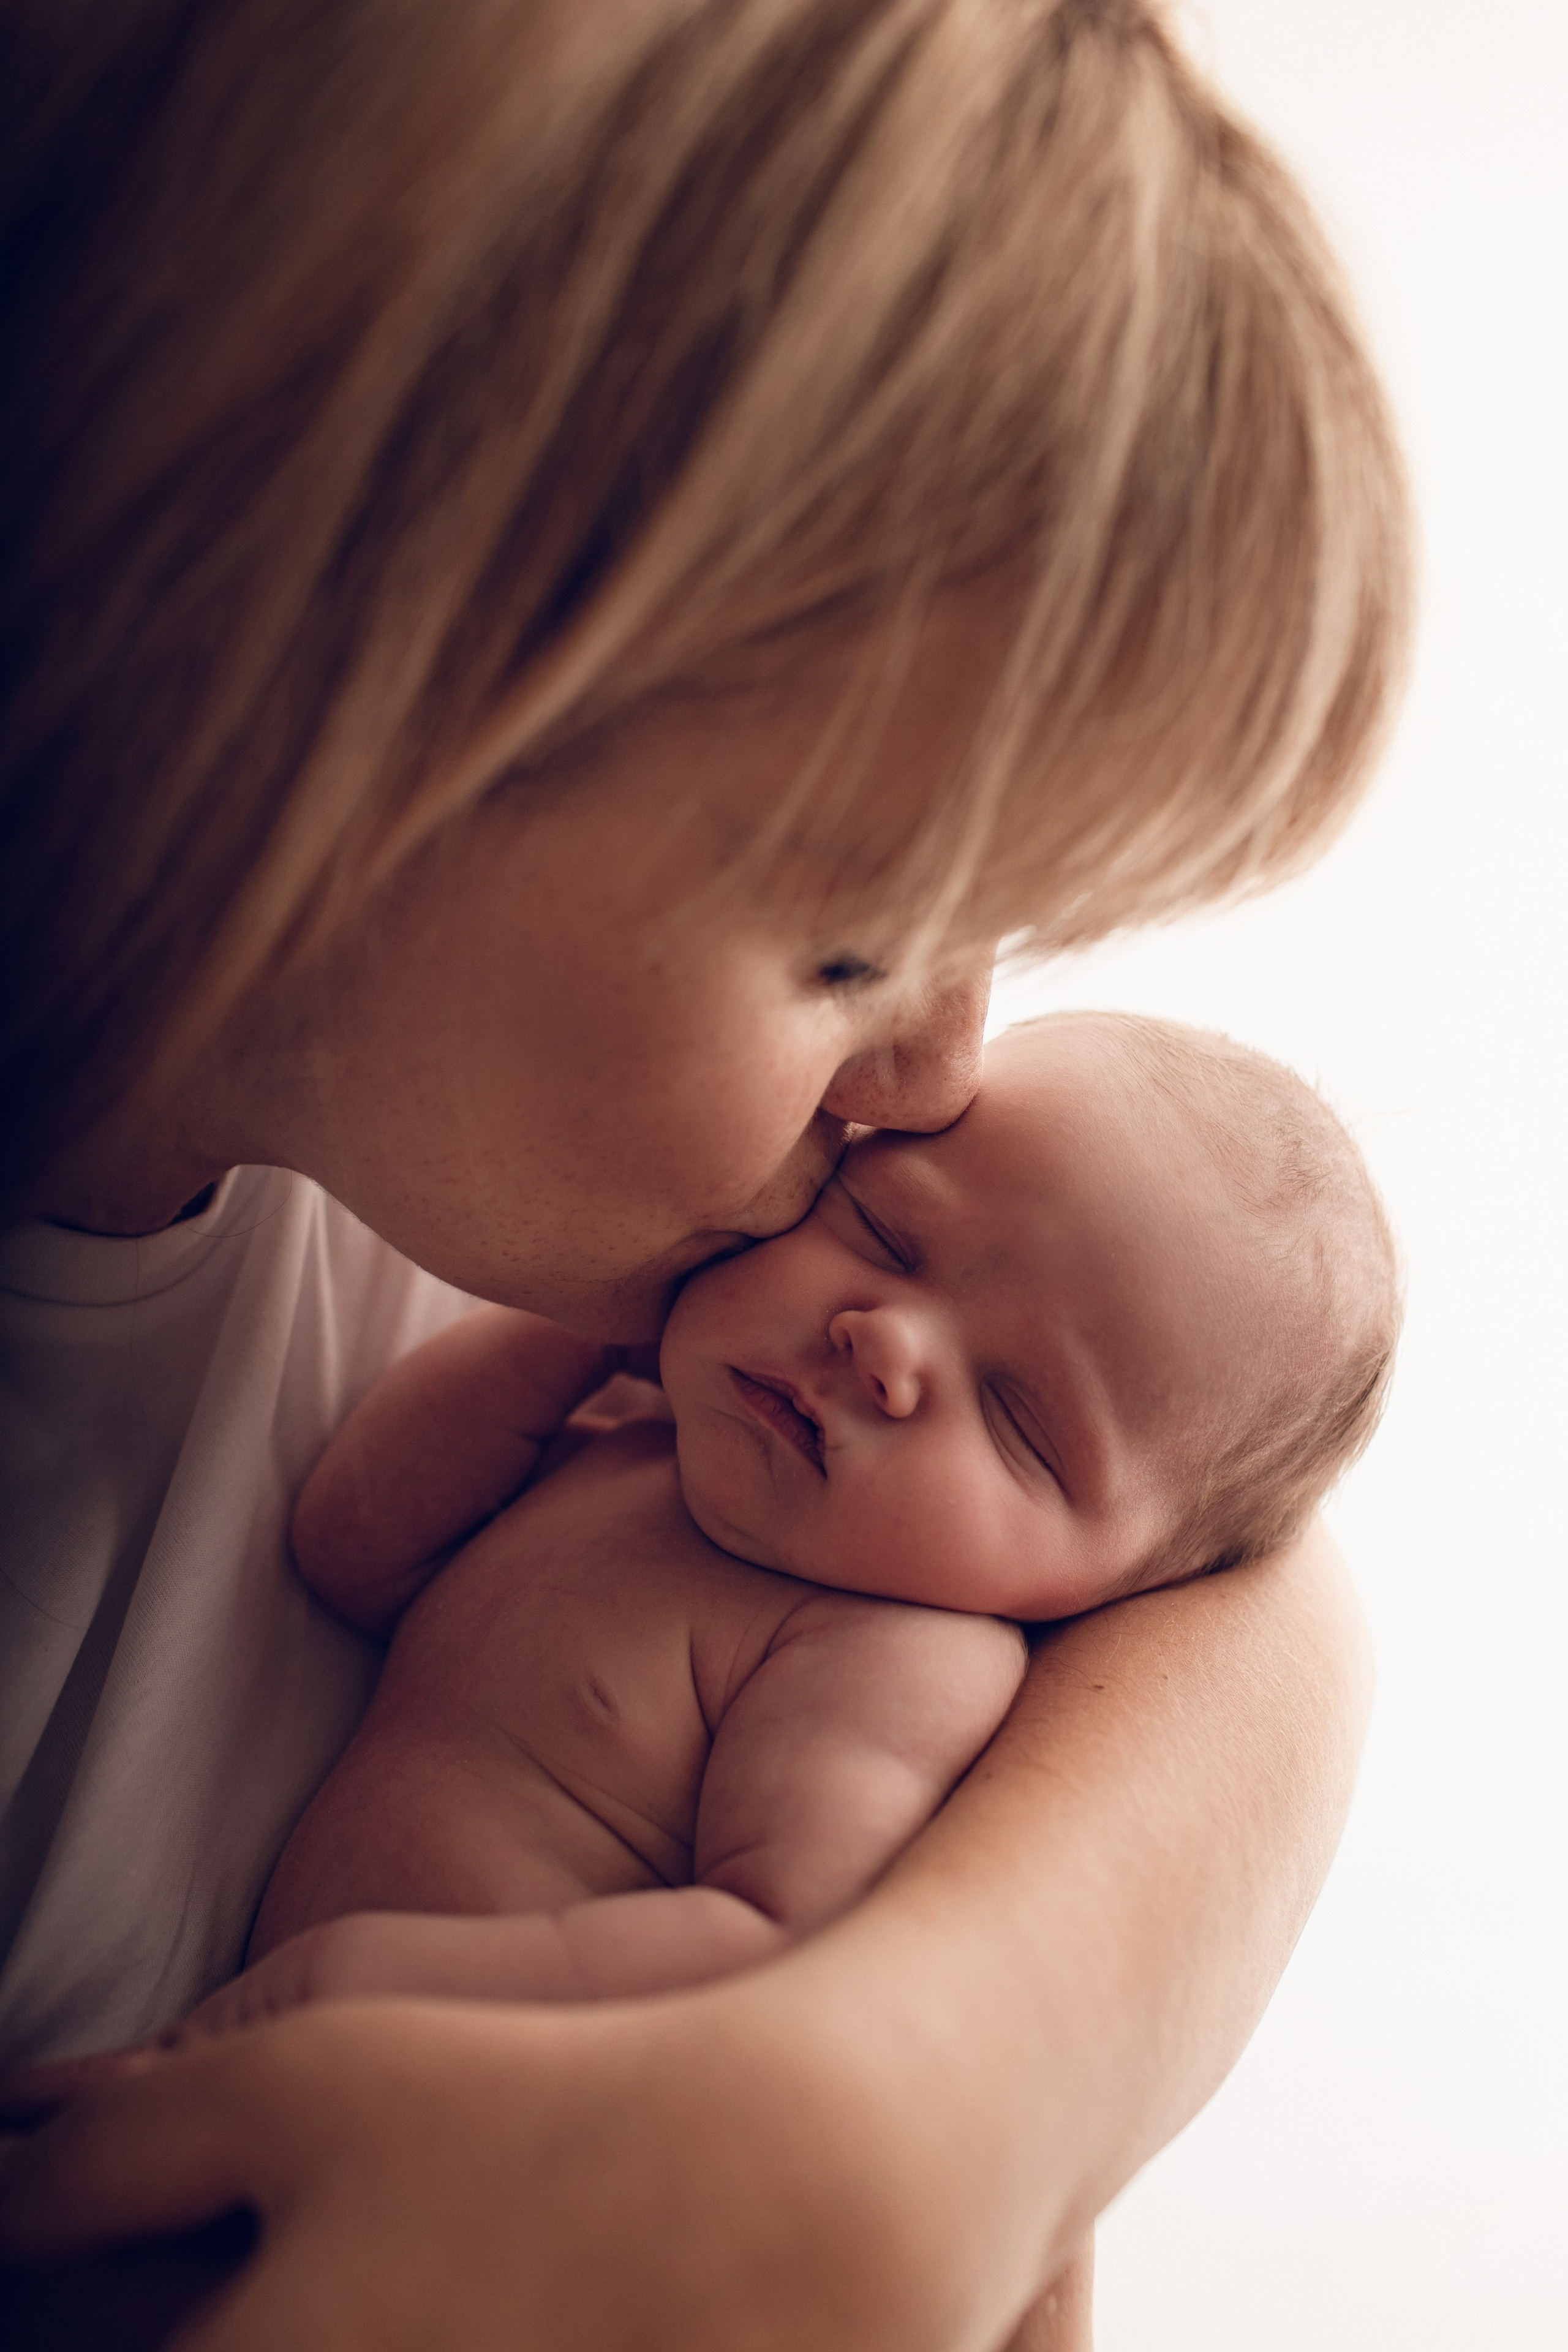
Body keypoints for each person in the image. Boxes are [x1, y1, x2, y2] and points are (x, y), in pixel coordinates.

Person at [0, 4, 1410, 2347]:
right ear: (322, 714)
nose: (937, 1078)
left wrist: (904, 2113)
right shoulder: (510, 1234)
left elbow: (1261, 1595)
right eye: (855, 937)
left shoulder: (498, 1210)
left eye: (1006, 935)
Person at [149, 1011, 1400, 2040]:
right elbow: (350, 1553)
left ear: (1109, 1595)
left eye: (1017, 1418)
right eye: (883, 1232)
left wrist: (345, 1994)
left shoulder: (891, 1657)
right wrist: (574, 1333)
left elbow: (767, 1949)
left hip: (471, 2127)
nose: (885, 1343)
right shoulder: (626, 1450)